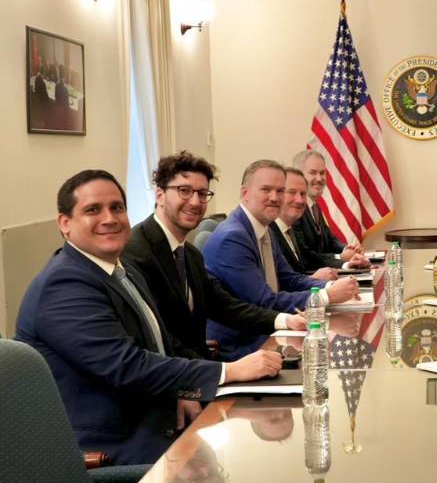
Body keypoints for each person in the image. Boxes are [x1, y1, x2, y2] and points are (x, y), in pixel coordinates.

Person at [16, 170, 283, 465]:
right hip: (113, 447)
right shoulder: (64, 284)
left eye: (117, 207)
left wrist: (183, 392)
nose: (110, 218)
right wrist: (228, 371)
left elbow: (158, 342)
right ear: (65, 224)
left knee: (262, 444)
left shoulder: (120, 270)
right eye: (93, 210)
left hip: (158, 414)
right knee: (250, 460)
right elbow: (127, 366)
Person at [124, 151, 307, 362]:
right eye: (184, 191)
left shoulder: (189, 253)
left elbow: (223, 305)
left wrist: (285, 320)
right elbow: (156, 339)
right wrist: (226, 370)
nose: (195, 202)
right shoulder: (136, 251)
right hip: (177, 372)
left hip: (197, 363)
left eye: (202, 193)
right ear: (160, 195)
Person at [203, 159, 358, 358]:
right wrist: (326, 296)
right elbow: (265, 302)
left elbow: (289, 279)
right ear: (245, 193)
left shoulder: (264, 228)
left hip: (268, 335)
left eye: (280, 190)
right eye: (266, 190)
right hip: (240, 347)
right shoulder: (233, 237)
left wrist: (330, 286)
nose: (275, 197)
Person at [270, 166, 364, 275]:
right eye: (291, 192)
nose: (300, 200)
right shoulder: (269, 232)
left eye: (303, 194)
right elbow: (283, 280)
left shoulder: (289, 230)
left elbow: (311, 259)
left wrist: (347, 265)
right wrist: (314, 279)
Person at [291, 149, 365, 266]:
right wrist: (340, 257)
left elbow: (330, 241)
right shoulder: (295, 210)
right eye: (313, 173)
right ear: (299, 176)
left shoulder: (315, 206)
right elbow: (305, 256)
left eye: (322, 173)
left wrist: (347, 249)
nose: (319, 178)